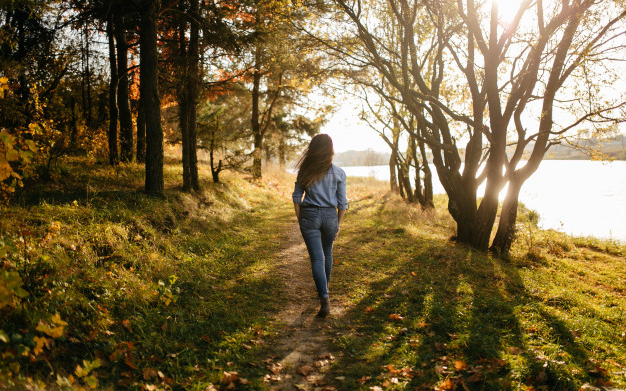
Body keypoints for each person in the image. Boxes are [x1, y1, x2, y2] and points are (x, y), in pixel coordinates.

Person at [292, 134, 349, 318]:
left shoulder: (305, 172)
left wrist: (301, 219)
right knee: (327, 253)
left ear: (313, 150)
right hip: (330, 217)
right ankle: (324, 292)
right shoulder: (339, 173)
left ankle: (324, 298)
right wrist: (338, 223)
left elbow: (296, 198)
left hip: (309, 215)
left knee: (317, 259)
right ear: (330, 151)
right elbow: (342, 203)